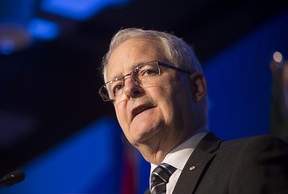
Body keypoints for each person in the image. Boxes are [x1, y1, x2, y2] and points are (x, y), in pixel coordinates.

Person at [98, 28, 288, 194]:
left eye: (147, 71)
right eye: (117, 86)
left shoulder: (249, 160)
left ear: (196, 87)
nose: (129, 89)